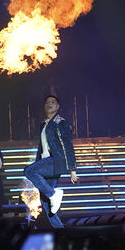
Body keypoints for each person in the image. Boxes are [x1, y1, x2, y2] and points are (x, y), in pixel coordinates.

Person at [23, 94, 79, 228]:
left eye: (53, 102)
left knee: (29, 171)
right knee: (46, 203)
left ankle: (54, 194)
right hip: (45, 162)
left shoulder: (60, 122)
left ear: (57, 106)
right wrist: (38, 162)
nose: (50, 104)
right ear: (44, 106)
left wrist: (72, 169)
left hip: (55, 161)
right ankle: (61, 231)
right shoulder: (44, 124)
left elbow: (67, 145)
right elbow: (41, 147)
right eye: (47, 102)